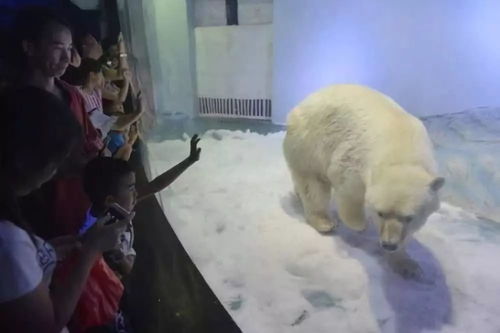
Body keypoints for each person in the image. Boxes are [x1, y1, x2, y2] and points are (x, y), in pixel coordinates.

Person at [0, 86, 132, 333]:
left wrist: (48, 250)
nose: (57, 171)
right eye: (56, 160)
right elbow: (49, 324)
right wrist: (90, 250)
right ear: (26, 160)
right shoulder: (9, 243)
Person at [12, 7, 103, 238]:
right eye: (57, 47)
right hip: (39, 216)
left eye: (70, 48)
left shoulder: (72, 94)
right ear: (29, 47)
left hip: (80, 204)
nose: (67, 58)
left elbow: (89, 138)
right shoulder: (14, 105)